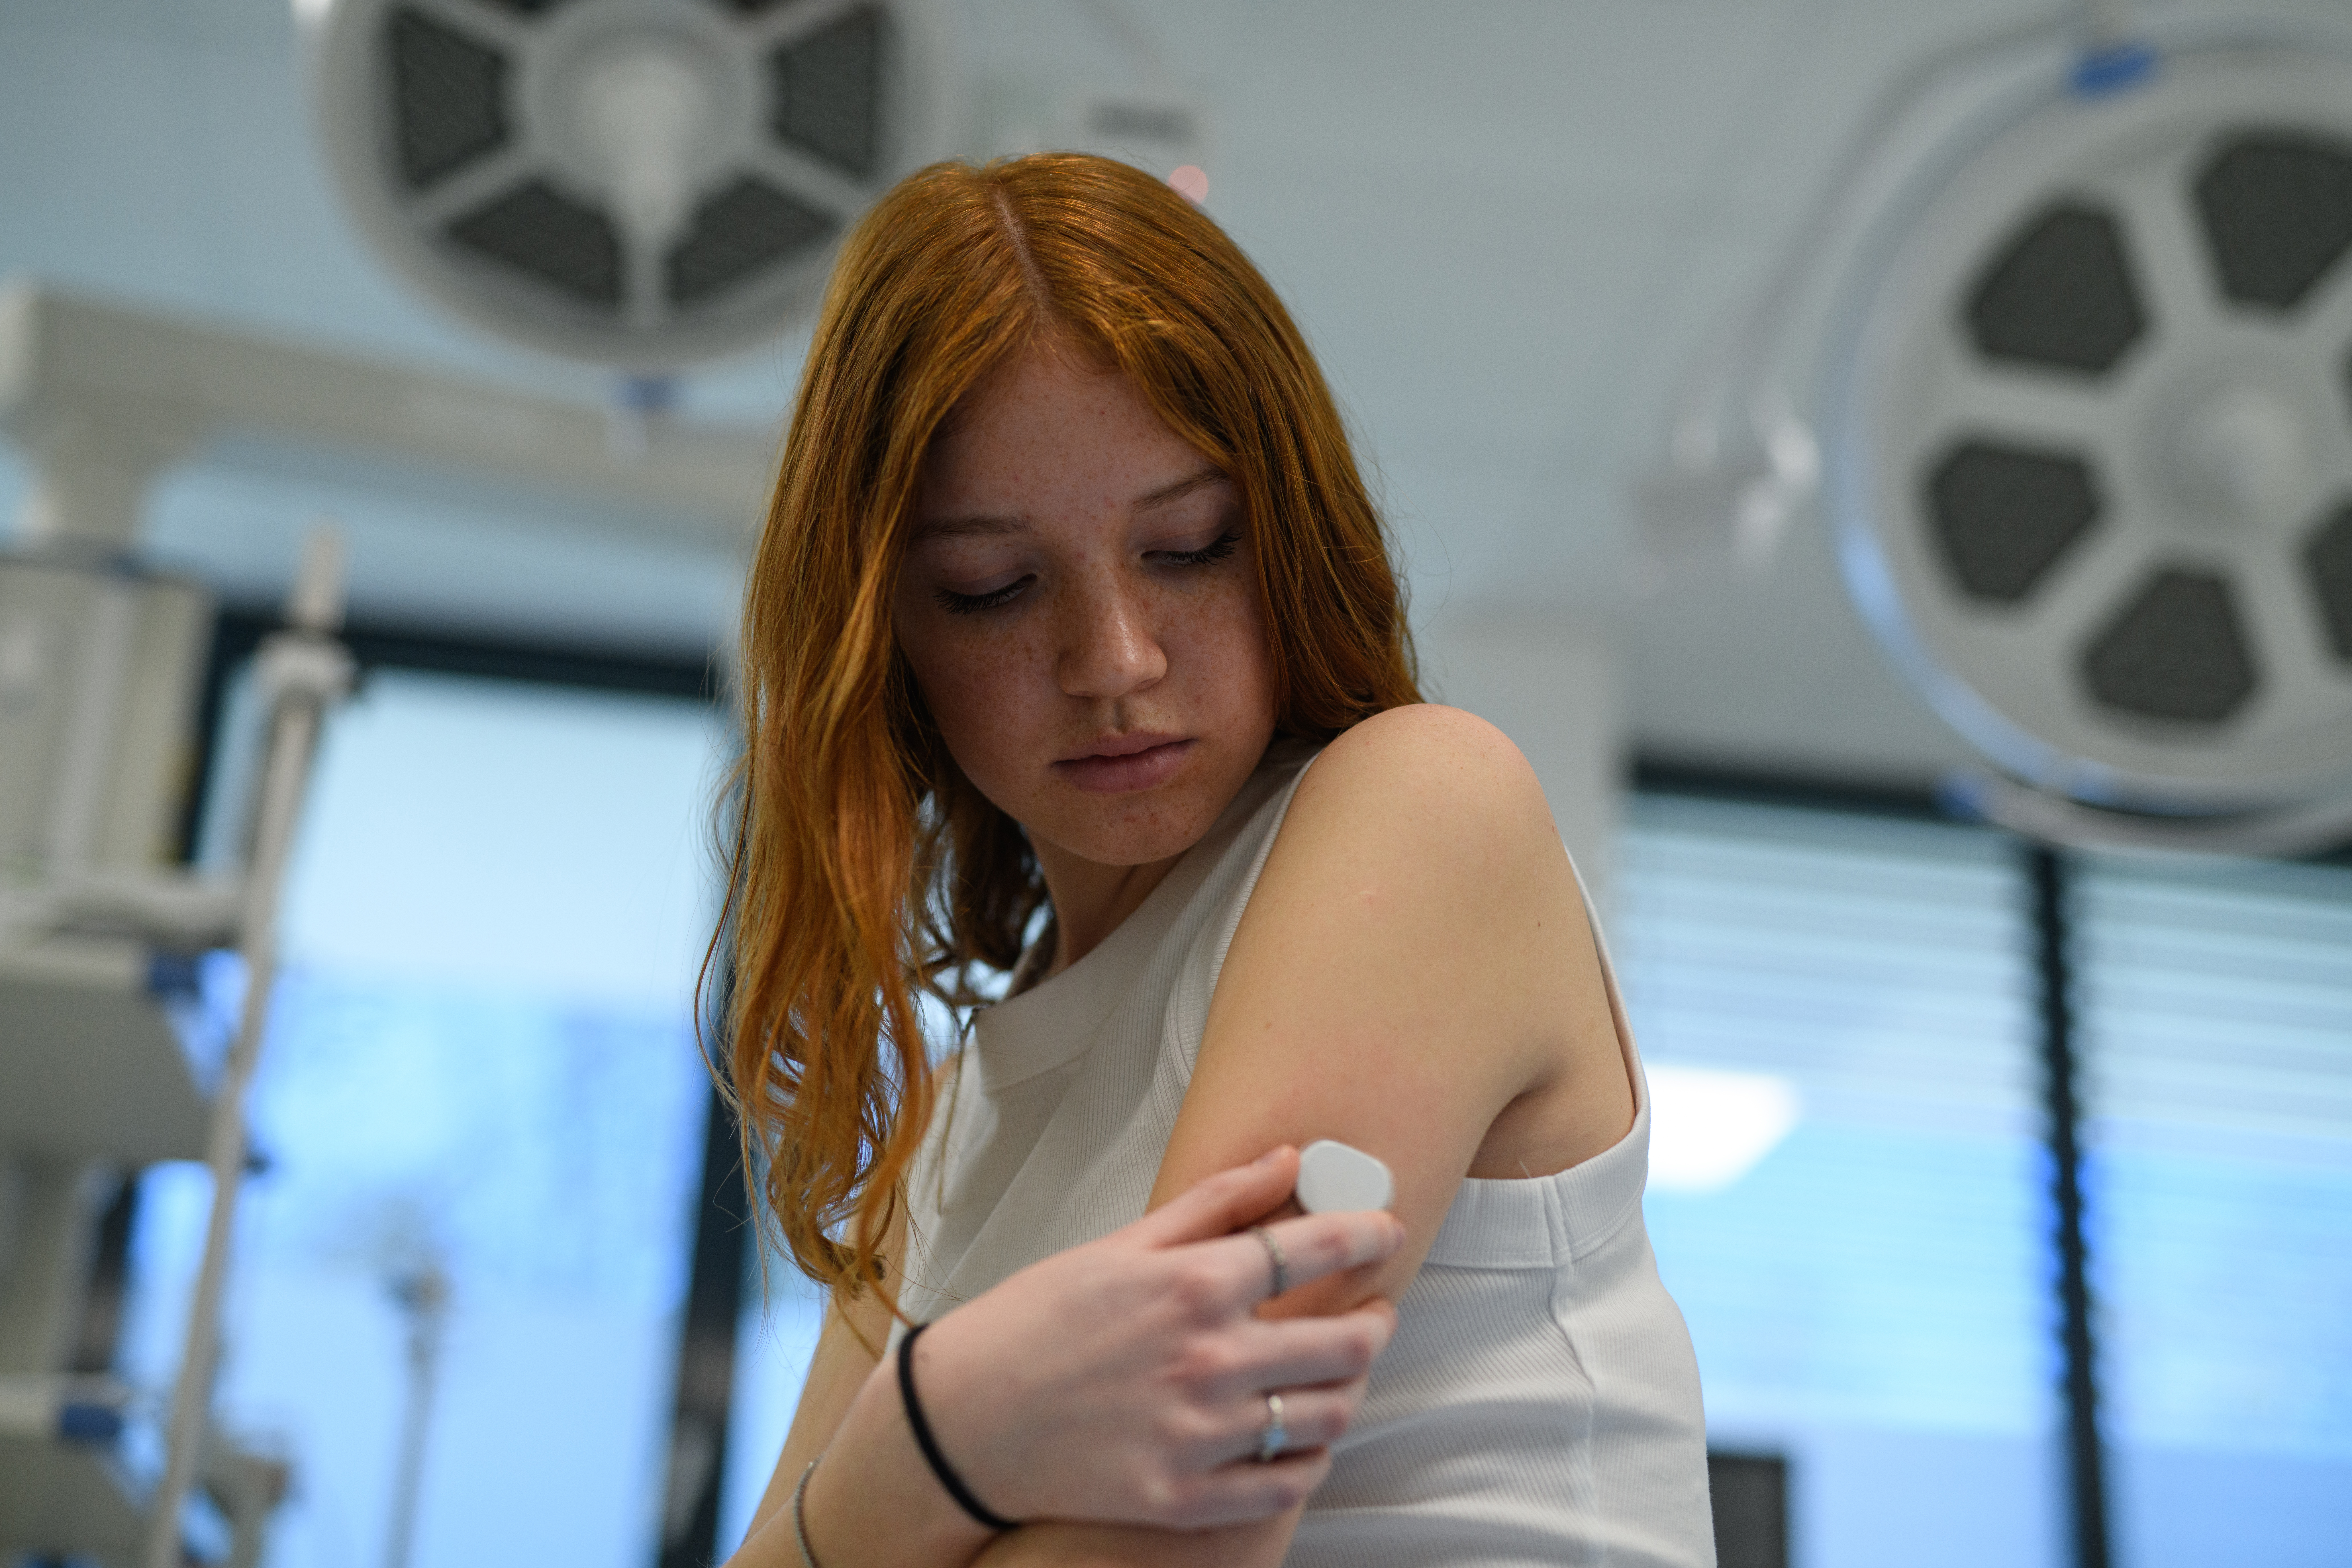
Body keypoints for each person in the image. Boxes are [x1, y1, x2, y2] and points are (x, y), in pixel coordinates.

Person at [714, 151, 1711, 1568]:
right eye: (994, 587)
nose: (1115, 662)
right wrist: (931, 1438)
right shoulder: (946, 1139)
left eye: (1188, 546)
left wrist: (917, 1454)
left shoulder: (1424, 811)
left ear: (1288, 534)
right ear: (886, 637)